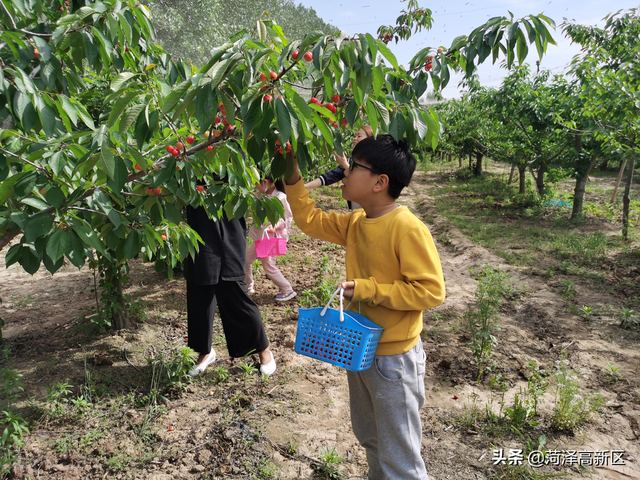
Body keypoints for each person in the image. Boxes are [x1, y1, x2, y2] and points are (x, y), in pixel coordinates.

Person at [284, 135, 445, 479]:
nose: (344, 172)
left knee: (399, 455)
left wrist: (368, 290)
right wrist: (293, 179)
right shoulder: (357, 223)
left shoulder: (406, 228)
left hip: (394, 360)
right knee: (372, 439)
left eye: (354, 166)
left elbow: (431, 291)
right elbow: (310, 220)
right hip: (361, 351)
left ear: (380, 182)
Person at [184, 174, 276, 378]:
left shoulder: (230, 147)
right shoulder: (191, 152)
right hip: (198, 222)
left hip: (226, 224)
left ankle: (263, 349)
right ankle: (205, 351)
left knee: (233, 288)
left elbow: (250, 178)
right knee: (200, 286)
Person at [245, 174, 296, 302]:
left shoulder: (280, 197)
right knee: (245, 258)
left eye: (257, 184)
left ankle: (287, 289)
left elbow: (288, 217)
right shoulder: (262, 196)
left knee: (268, 265)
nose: (256, 188)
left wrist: (275, 225)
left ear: (265, 182)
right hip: (256, 230)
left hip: (268, 235)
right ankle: (248, 287)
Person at [304, 126, 374, 210]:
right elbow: (331, 175)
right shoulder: (352, 160)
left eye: (359, 136)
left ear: (370, 139)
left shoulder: (374, 160)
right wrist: (306, 186)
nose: (355, 139)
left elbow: (362, 180)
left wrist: (344, 163)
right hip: (356, 210)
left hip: (371, 209)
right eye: (354, 136)